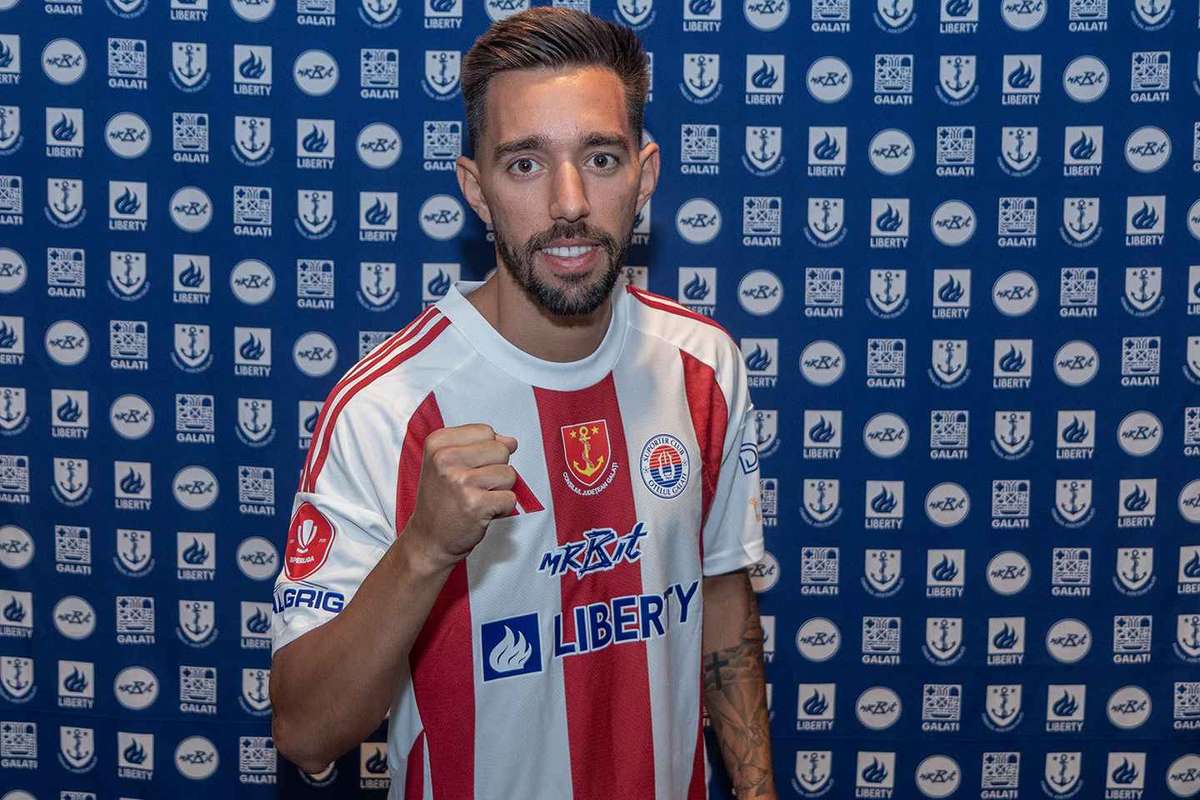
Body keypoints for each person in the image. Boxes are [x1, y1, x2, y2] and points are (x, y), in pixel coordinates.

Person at [269, 7, 775, 798]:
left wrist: (756, 789)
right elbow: (305, 732)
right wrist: (423, 550)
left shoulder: (703, 366)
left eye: (600, 158)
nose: (570, 202)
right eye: (526, 164)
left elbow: (718, 595)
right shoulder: (384, 407)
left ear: (644, 175)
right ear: (477, 189)